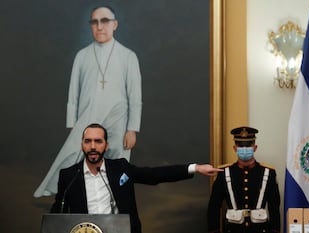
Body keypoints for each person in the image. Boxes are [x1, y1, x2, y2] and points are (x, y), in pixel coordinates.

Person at [34, 5, 142, 197]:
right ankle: (71, 197)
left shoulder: (128, 56)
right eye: (95, 22)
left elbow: (135, 96)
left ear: (114, 24)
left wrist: (132, 129)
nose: (100, 26)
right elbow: (73, 94)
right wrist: (72, 124)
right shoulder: (82, 56)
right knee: (75, 161)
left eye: (105, 21)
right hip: (88, 118)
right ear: (91, 26)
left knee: (117, 164)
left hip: (119, 120)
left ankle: (115, 204)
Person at [51, 123, 222, 233]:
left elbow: (154, 175)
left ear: (106, 145)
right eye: (88, 141)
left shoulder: (121, 168)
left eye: (98, 141)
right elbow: (57, 213)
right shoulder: (69, 175)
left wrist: (195, 168)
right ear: (82, 145)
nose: (93, 146)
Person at [207, 126, 281, 233]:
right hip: (233, 229)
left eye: (248, 145)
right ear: (235, 148)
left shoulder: (268, 173)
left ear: (255, 147)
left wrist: (275, 230)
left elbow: (274, 208)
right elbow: (214, 207)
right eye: (241, 145)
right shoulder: (224, 173)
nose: (244, 148)